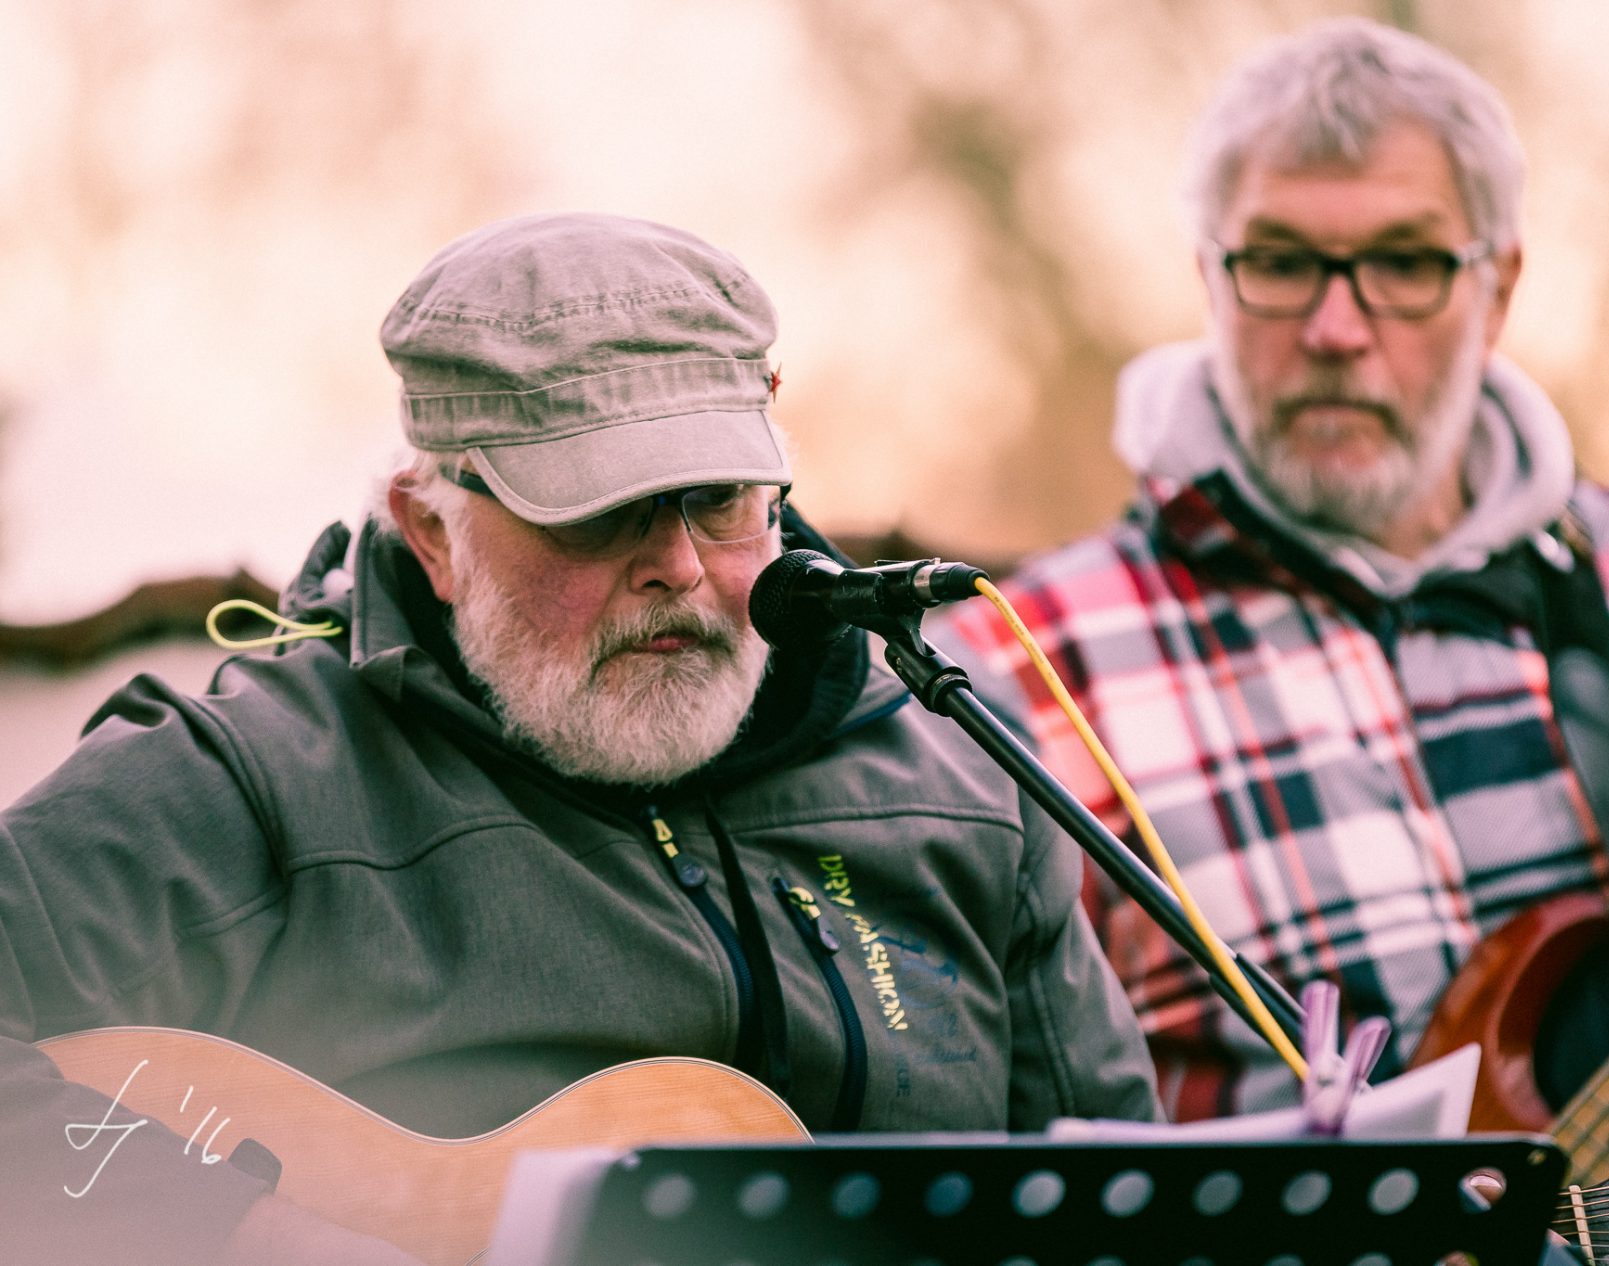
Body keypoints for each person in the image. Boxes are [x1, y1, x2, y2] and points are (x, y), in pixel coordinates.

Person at [0, 212, 1158, 1265]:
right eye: (602, 514)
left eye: (716, 501)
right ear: (433, 533)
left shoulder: (964, 784)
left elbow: (1127, 1203)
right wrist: (257, 1240)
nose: (681, 567)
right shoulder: (259, 778)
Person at [934, 16, 1609, 1134]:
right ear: (1209, 276)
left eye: (1404, 262)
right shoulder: (1015, 673)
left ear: (1499, 288)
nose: (1338, 328)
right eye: (1283, 263)